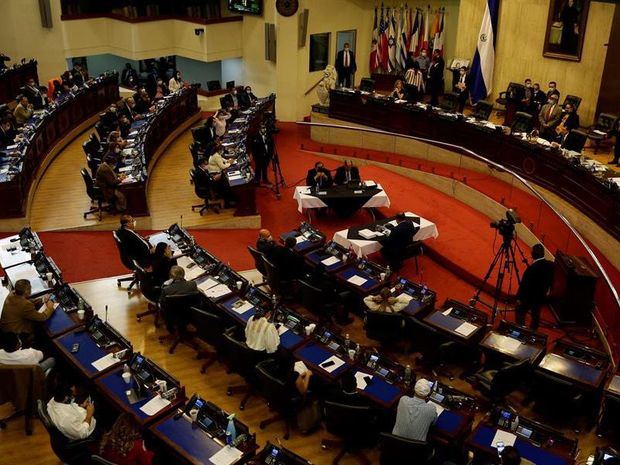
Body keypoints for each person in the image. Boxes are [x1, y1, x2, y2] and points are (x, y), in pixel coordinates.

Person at [515, 244, 554, 330]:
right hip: (541, 297)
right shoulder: (550, 265)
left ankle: (520, 329)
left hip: (529, 297)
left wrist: (519, 297)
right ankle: (533, 331)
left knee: (520, 311)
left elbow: (524, 285)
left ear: (533, 254)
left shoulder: (532, 269)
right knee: (535, 315)